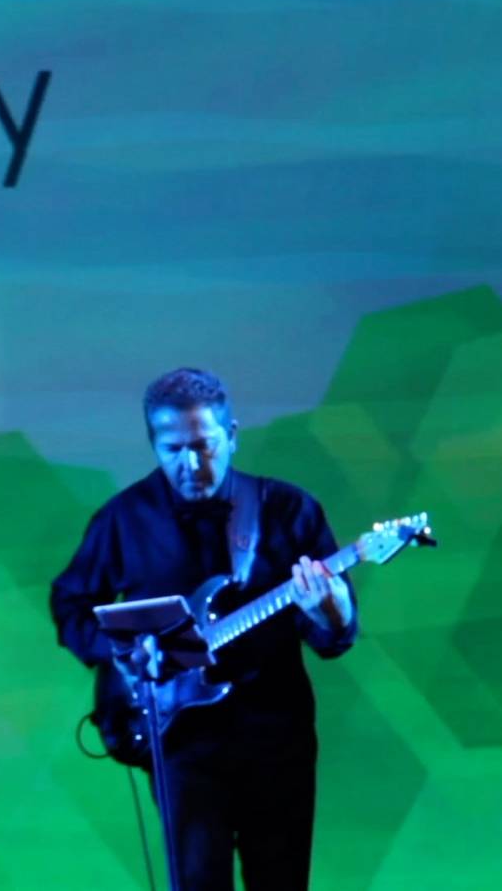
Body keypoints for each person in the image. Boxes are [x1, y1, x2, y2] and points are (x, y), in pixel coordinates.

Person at [49, 367, 357, 891]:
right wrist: (120, 653)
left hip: (276, 734)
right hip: (179, 741)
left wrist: (333, 609)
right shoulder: (124, 518)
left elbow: (335, 639)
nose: (191, 464)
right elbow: (70, 603)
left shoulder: (288, 510)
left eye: (204, 446)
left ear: (232, 435)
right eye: (173, 449)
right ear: (153, 444)